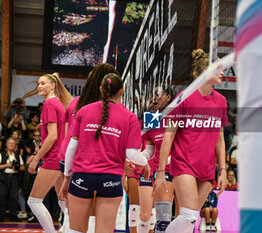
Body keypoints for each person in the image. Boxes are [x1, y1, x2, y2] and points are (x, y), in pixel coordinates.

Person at [59, 73, 151, 233]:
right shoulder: (130, 117)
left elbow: (72, 147)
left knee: (76, 230)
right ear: (122, 91)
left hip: (82, 176)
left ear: (101, 90)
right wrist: (145, 163)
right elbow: (131, 153)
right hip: (111, 179)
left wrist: (67, 177)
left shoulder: (84, 111)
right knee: (104, 230)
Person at [153, 49, 227, 233]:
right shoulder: (182, 98)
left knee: (188, 223)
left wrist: (223, 169)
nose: (223, 72)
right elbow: (168, 136)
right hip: (184, 165)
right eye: (219, 68)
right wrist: (161, 171)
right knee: (189, 216)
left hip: (207, 169)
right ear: (204, 70)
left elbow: (220, 139)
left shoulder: (221, 101)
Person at [58, 63, 119, 232]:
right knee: (91, 215)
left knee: (73, 215)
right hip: (88, 163)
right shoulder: (106, 109)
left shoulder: (76, 103)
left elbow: (67, 136)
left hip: (67, 158)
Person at [26, 72, 73, 233]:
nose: (39, 86)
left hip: (53, 158)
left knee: (33, 201)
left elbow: (52, 136)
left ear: (53, 85)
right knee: (63, 200)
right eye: (38, 83)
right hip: (61, 157)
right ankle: (67, 229)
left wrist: (36, 159)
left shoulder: (49, 104)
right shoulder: (59, 104)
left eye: (43, 83)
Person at [139, 86, 176, 233]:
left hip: (182, 170)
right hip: (162, 171)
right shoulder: (151, 117)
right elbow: (150, 149)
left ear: (168, 97)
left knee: (185, 218)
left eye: (158, 94)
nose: (154, 97)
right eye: (152, 94)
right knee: (163, 219)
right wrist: (138, 158)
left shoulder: (177, 115)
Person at [0, 137, 25, 222]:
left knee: (14, 197)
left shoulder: (17, 155)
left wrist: (17, 167)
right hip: (4, 178)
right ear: (6, 145)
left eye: (13, 143)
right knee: (2, 197)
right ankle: (1, 216)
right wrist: (7, 165)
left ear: (15, 145)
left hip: (14, 178)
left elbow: (23, 167)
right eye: (9, 143)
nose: (11, 144)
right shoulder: (1, 154)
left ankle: (13, 215)